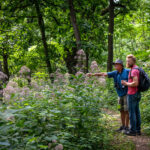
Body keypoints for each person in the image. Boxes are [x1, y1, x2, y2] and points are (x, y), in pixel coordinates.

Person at [88, 60, 130, 132]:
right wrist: (92, 74)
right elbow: (104, 73)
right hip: (119, 95)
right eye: (115, 65)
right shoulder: (115, 73)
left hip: (127, 94)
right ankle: (123, 126)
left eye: (117, 64)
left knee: (127, 111)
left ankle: (127, 127)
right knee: (121, 110)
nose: (115, 66)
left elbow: (135, 76)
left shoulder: (127, 71)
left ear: (121, 65)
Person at [122, 54, 141, 136]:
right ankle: (137, 130)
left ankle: (132, 130)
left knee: (132, 112)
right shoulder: (137, 69)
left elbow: (135, 83)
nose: (127, 62)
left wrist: (126, 83)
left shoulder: (133, 70)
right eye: (126, 61)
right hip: (136, 93)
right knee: (137, 112)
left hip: (132, 94)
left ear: (133, 61)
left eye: (129, 61)